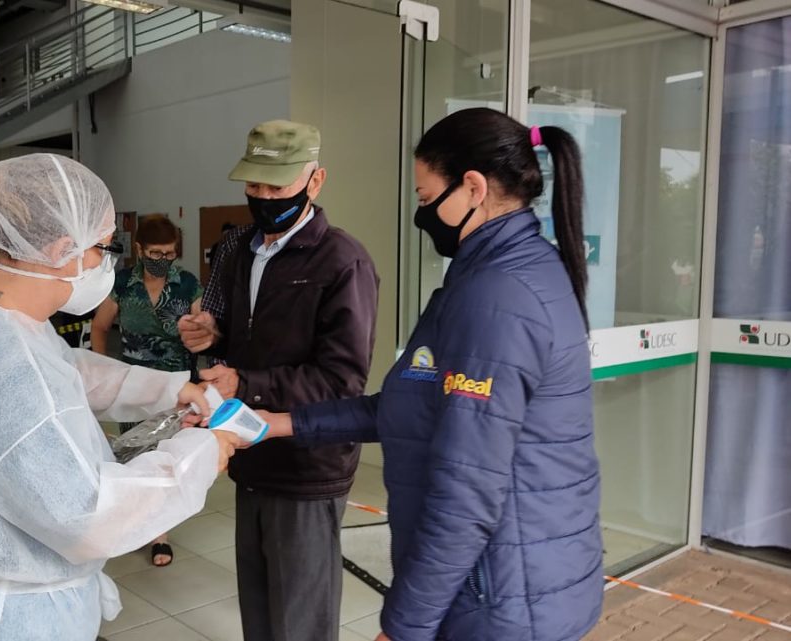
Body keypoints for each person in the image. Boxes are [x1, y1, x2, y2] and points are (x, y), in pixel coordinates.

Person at [0, 154, 244, 641]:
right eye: (101, 247)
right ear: (61, 249)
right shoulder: (4, 359)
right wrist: (201, 453)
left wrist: (169, 388)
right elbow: (87, 517)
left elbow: (66, 369)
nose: (104, 262)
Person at [258, 108, 603, 641]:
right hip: (516, 584)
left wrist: (403, 627)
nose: (421, 213)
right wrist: (276, 423)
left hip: (501, 600)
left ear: (472, 188)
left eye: (424, 198)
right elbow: (409, 403)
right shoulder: (499, 274)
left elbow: (467, 493)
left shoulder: (496, 297)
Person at [177, 120, 380, 641]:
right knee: (262, 613)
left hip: (308, 463)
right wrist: (209, 337)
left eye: (277, 185)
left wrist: (246, 381)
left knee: (300, 621)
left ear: (316, 181)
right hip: (249, 451)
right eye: (253, 185)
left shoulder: (343, 261)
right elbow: (239, 342)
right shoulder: (240, 250)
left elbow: (341, 381)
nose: (263, 197)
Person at [91, 213, 203, 567]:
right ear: (139, 249)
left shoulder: (187, 284)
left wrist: (200, 336)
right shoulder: (122, 283)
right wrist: (103, 372)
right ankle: (134, 522)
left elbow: (203, 333)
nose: (162, 260)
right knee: (135, 454)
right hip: (133, 385)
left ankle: (159, 534)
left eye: (169, 253)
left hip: (176, 384)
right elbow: (99, 327)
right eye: (155, 253)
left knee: (167, 457)